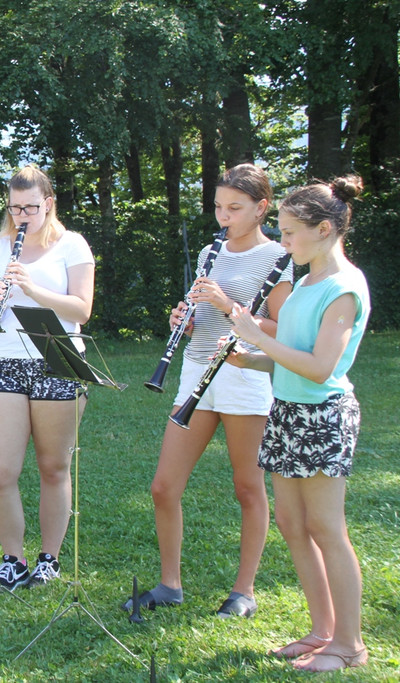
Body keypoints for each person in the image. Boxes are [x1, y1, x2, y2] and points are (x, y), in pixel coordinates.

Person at [127, 163, 293, 617]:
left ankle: (244, 591)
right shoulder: (208, 252)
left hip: (245, 372)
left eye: (235, 208)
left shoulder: (279, 256)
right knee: (164, 487)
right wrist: (185, 318)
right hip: (197, 366)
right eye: (219, 207)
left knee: (247, 487)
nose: (224, 217)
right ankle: (169, 585)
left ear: (261, 208)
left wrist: (227, 304)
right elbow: (203, 313)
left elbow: (279, 328)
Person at [229, 176, 370, 672]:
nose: (283, 243)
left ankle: (349, 646)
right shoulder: (306, 280)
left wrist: (256, 337)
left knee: (326, 528)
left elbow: (321, 367)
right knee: (292, 524)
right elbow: (293, 358)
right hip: (287, 410)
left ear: (325, 229)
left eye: (289, 234)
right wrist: (254, 361)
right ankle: (322, 631)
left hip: (323, 417)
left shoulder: (343, 288)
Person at [0, 166, 95, 590]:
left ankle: (49, 557)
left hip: (57, 359)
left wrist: (32, 289)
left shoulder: (72, 245)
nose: (21, 215)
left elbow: (81, 310)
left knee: (52, 466)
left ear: (49, 204)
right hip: (6, 361)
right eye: (14, 207)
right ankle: (13, 558)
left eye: (30, 207)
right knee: (0, 471)